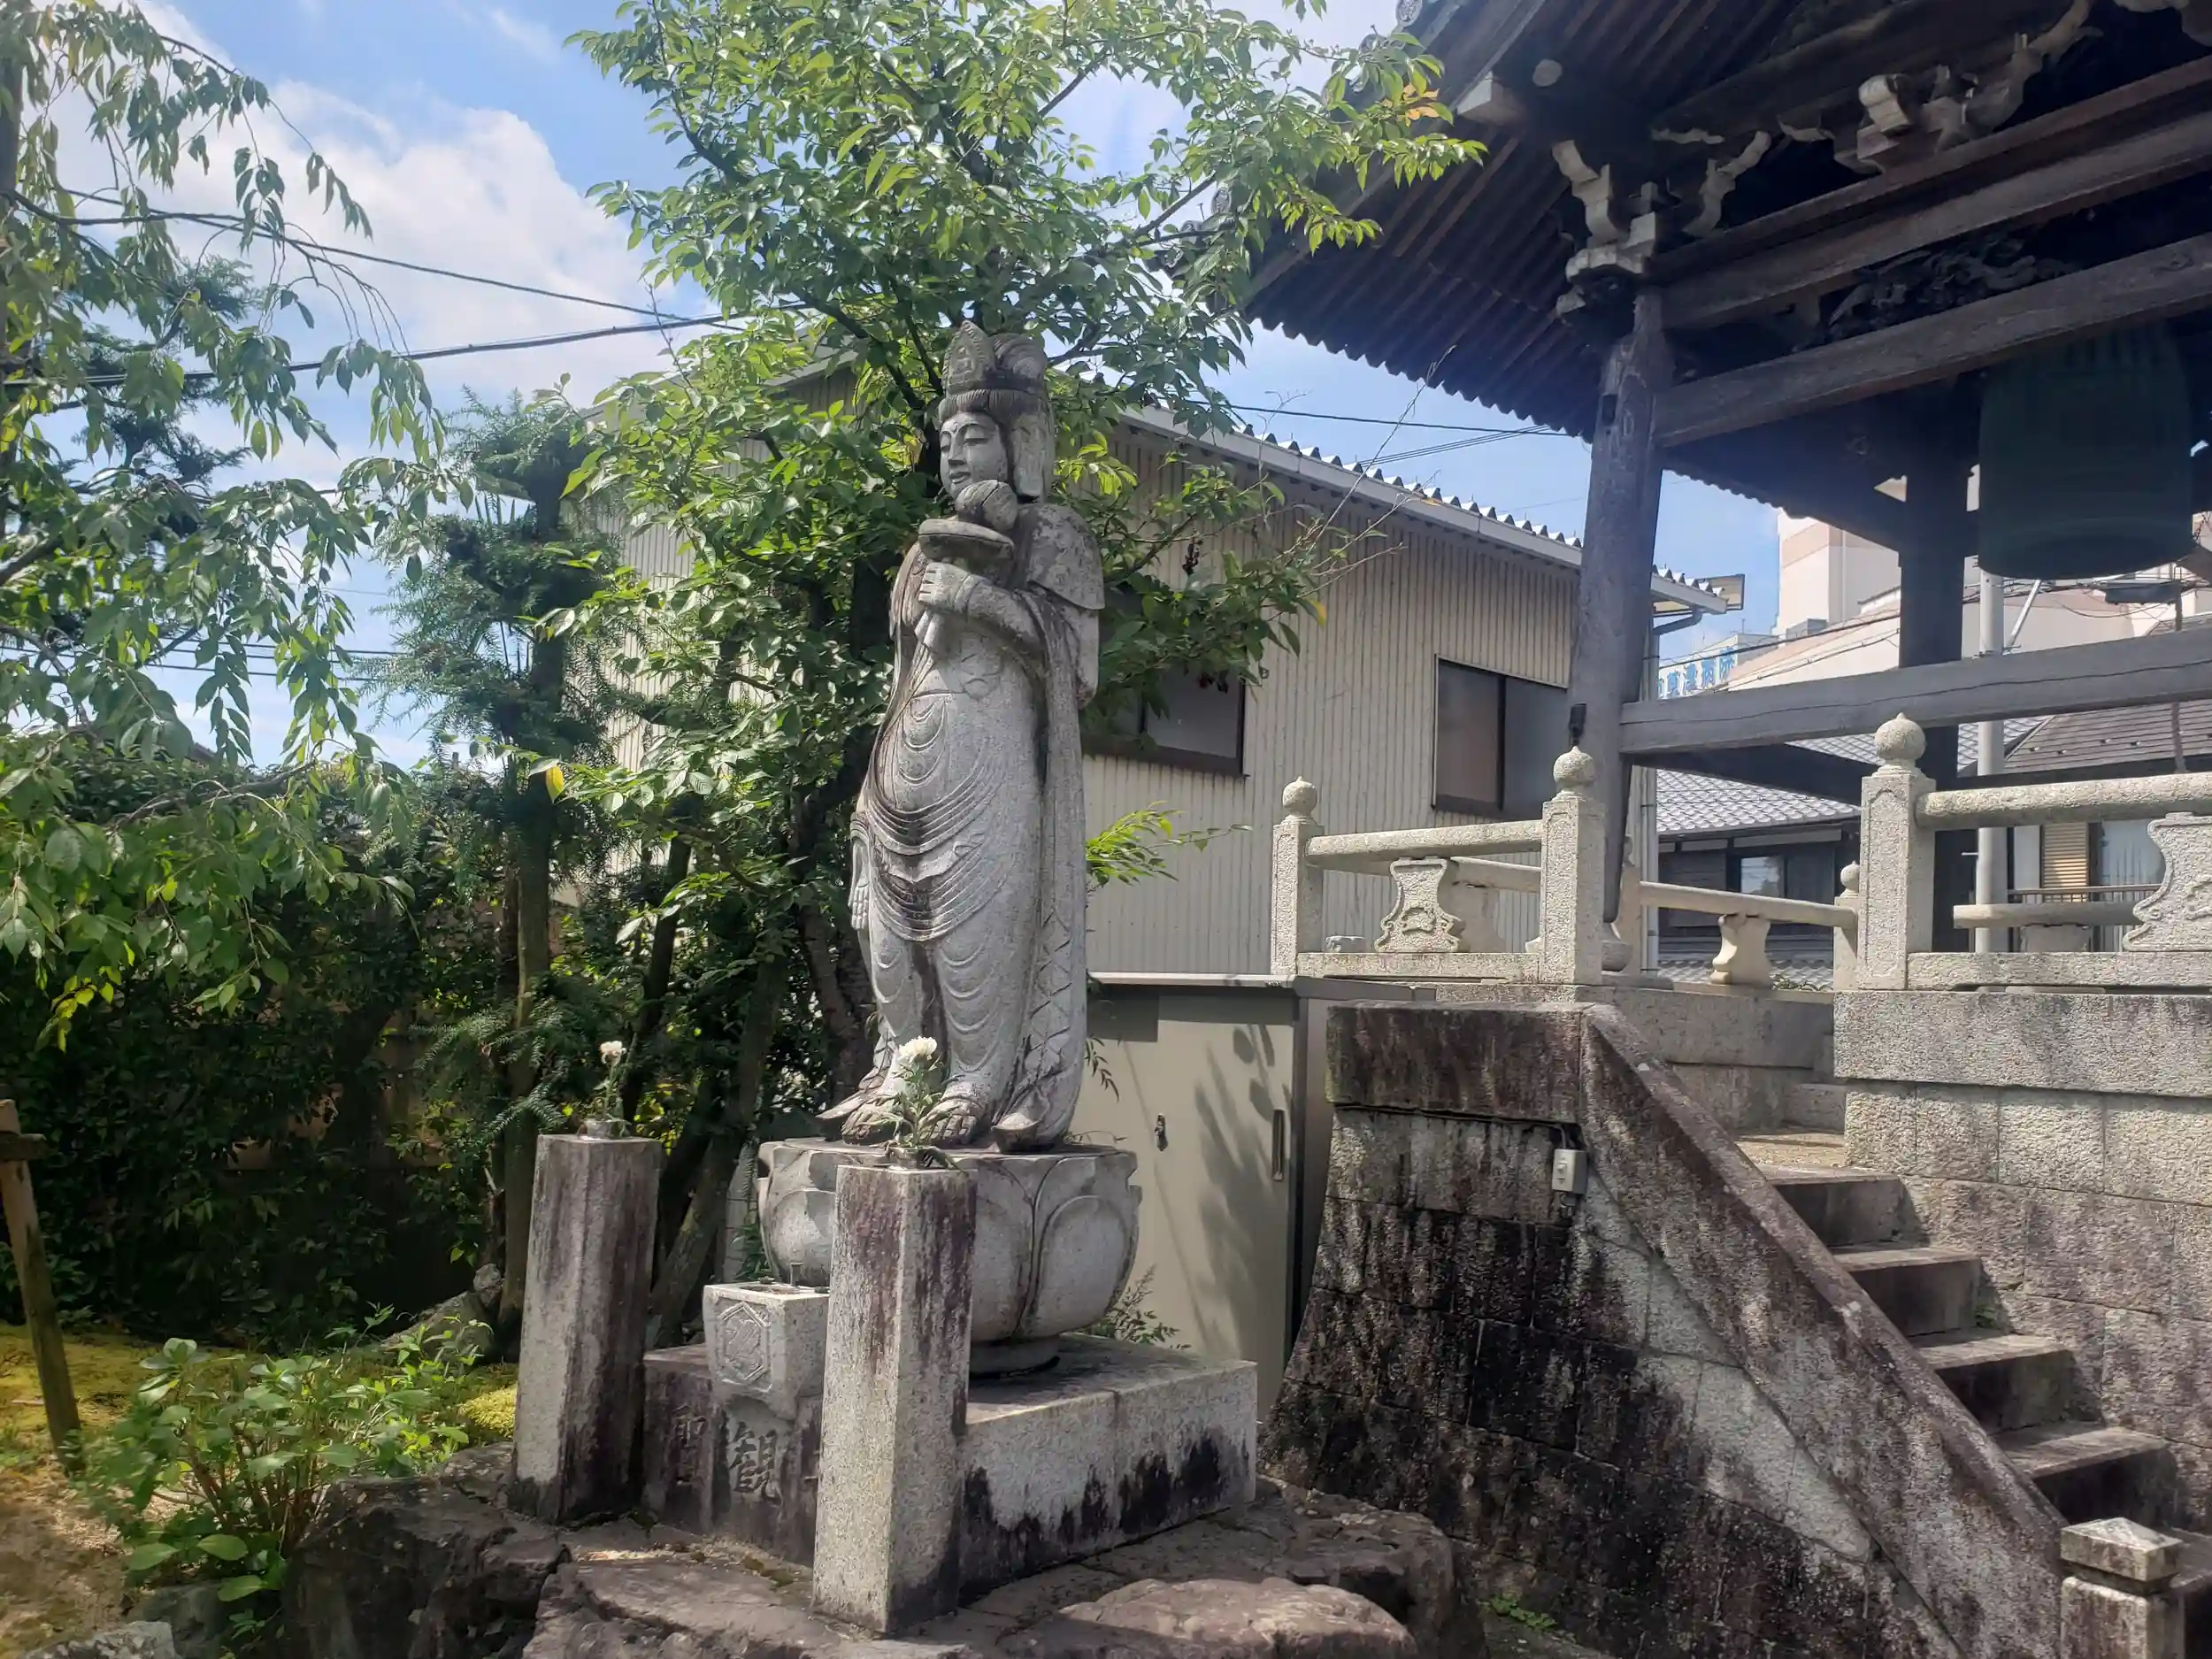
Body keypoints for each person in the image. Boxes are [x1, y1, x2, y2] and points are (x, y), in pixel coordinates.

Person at [825, 324, 1102, 1151]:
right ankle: (903, 1069)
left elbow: (1077, 668)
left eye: (973, 436)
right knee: (890, 937)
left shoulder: (1053, 534)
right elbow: (902, 674)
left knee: (976, 931)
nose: (953, 453)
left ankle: (978, 1079)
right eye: (945, 440)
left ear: (1021, 443)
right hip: (907, 763)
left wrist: (979, 598)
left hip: (994, 764)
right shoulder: (919, 553)